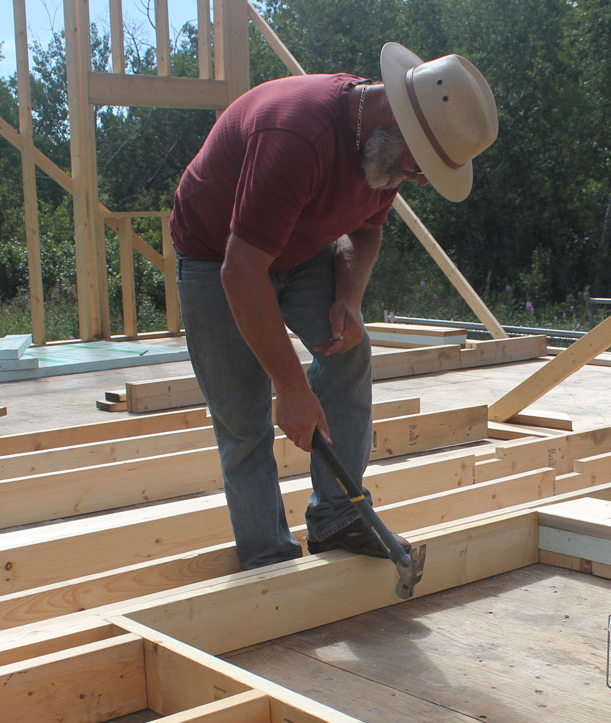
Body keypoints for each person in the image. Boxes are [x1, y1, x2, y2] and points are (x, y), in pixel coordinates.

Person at [169, 42, 498, 569]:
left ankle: (337, 517)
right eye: (420, 166)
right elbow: (241, 270)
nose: (417, 179)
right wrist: (293, 388)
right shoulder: (299, 134)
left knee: (350, 349)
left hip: (298, 248)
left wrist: (348, 296)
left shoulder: (386, 155)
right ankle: (268, 559)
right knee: (242, 416)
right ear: (396, 116)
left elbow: (365, 234)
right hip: (216, 254)